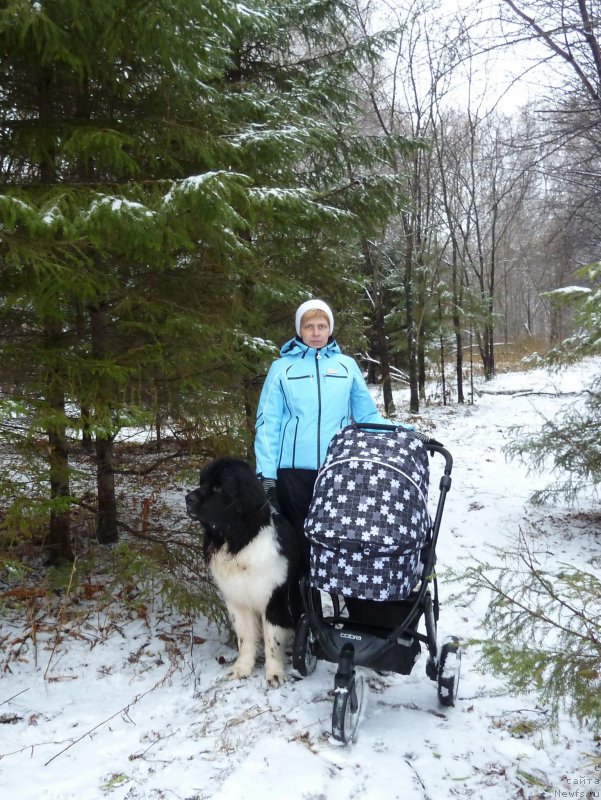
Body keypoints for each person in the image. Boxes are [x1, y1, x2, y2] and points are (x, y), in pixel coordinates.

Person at [254, 298, 400, 568]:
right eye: (309, 326)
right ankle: (301, 607)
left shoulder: (346, 366)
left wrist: (405, 431)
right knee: (297, 542)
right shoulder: (282, 368)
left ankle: (337, 600)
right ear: (300, 329)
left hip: (338, 469)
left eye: (322, 325)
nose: (316, 332)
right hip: (293, 474)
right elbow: (267, 423)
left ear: (330, 328)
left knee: (338, 538)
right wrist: (267, 475)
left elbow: (367, 415)